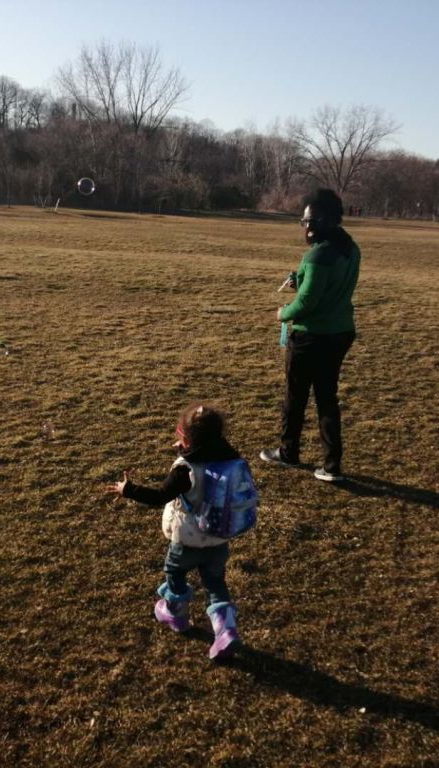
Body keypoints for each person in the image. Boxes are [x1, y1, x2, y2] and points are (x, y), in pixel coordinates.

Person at [105, 404, 248, 660]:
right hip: (218, 539)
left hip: (187, 541)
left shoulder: (185, 470)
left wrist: (128, 490)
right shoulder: (230, 460)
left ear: (189, 440)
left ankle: (176, 614)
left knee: (174, 572)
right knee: (215, 583)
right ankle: (226, 629)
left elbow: (160, 496)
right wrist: (185, 449)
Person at [261, 188, 360, 483]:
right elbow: (327, 287)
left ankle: (288, 451)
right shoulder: (349, 248)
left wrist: (283, 313)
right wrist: (301, 280)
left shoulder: (318, 254)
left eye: (308, 222)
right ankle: (332, 465)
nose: (305, 227)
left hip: (312, 336)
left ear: (322, 221)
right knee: (327, 397)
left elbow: (307, 303)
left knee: (295, 395)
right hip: (341, 331)